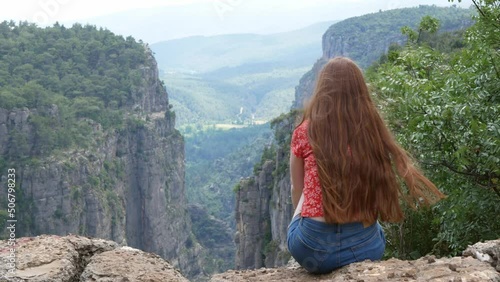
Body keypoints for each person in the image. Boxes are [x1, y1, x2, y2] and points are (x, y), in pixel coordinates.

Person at [287, 57, 445, 274]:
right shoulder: (372, 131)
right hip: (366, 249)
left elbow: (296, 189)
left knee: (307, 187)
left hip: (313, 252)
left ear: (322, 90)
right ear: (360, 90)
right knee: (374, 226)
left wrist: (303, 219)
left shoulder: (304, 132)